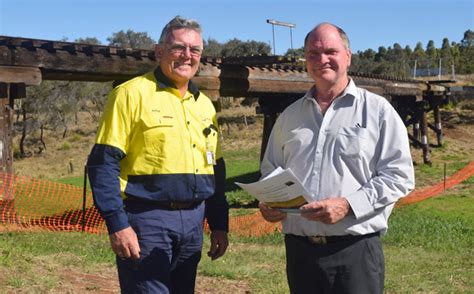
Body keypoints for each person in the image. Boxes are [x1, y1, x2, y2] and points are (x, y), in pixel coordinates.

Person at [258, 22, 415, 294]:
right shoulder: (289, 117)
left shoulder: (378, 111)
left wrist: (348, 205)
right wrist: (270, 204)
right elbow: (271, 171)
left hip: (354, 252)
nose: (322, 60)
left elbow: (399, 176)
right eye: (313, 54)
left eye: (331, 51)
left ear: (348, 56)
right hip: (299, 253)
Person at [87, 16, 229, 293]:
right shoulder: (129, 94)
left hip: (193, 223)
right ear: (159, 51)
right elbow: (103, 164)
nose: (187, 55)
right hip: (146, 221)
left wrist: (219, 224)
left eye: (195, 50)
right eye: (178, 47)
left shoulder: (204, 106)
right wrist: (118, 225)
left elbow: (216, 169)